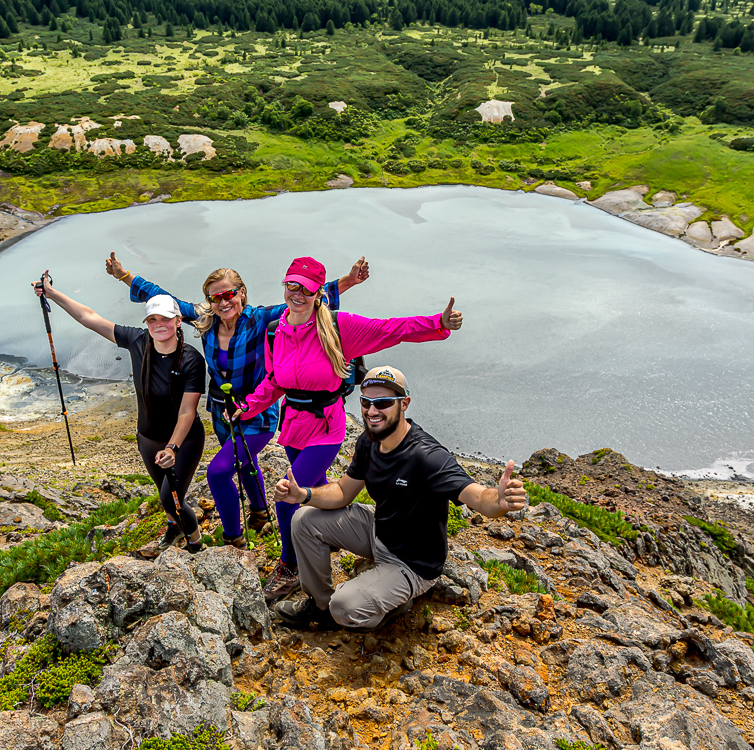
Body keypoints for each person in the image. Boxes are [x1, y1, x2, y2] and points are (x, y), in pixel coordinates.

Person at [234, 258, 464, 602]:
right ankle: (324, 539)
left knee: (287, 498)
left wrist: (437, 322)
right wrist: (248, 407)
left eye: (306, 288)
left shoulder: (340, 328)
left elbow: (391, 329)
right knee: (316, 491)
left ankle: (290, 567)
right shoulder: (273, 330)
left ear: (318, 292)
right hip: (294, 425)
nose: (297, 294)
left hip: (327, 427)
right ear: (284, 286)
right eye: (291, 285)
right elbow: (274, 381)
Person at [103, 253, 370, 548]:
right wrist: (124, 275)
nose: (223, 302)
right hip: (222, 412)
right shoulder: (206, 319)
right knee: (245, 463)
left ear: (242, 293)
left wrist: (348, 281)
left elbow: (302, 300)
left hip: (258, 413)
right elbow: (164, 298)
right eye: (215, 297)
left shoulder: (260, 319)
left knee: (218, 473)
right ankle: (259, 513)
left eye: (229, 294)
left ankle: (234, 539)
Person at [272, 365, 528, 630]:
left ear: (404, 404)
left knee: (345, 607)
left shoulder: (426, 456)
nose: (371, 411)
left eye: (382, 403)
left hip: (412, 562)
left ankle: (392, 603)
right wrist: (304, 494)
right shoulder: (369, 441)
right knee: (303, 519)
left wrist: (499, 501)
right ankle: (320, 605)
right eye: (365, 402)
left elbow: (477, 497)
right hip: (379, 530)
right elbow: (343, 491)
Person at [32, 272, 207, 554]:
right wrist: (52, 294)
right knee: (166, 495)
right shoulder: (138, 341)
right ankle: (175, 527)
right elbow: (90, 318)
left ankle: (196, 543)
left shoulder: (192, 360)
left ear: (178, 321)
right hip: (148, 437)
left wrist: (172, 448)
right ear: (147, 323)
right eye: (152, 319)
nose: (159, 324)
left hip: (184, 442)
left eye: (165, 319)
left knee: (170, 499)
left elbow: (187, 412)